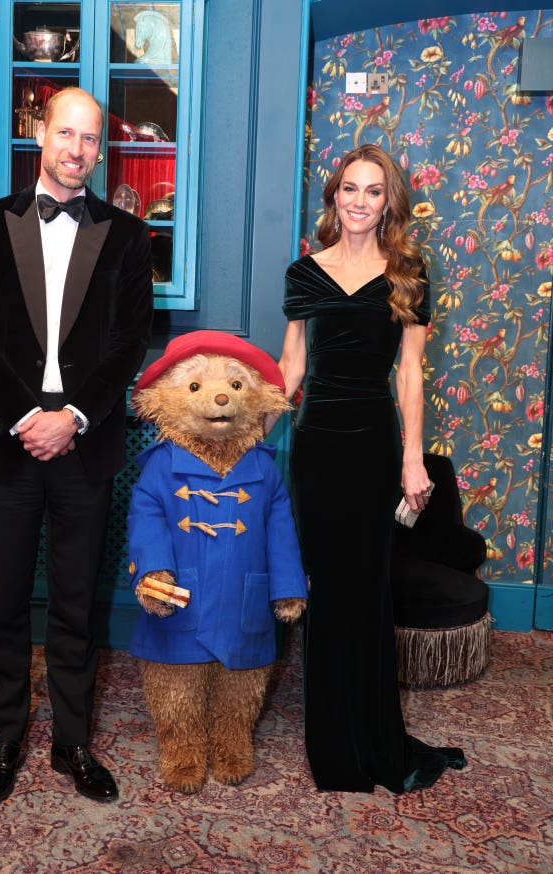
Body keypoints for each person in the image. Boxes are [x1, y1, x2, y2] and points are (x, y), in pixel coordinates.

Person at [0, 87, 154, 806]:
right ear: (42, 134)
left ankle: (72, 743)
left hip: (84, 443)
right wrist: (25, 419)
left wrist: (71, 418)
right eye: (65, 134)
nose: (76, 150)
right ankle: (7, 738)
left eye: (90, 139)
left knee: (76, 603)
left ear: (102, 148)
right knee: (5, 601)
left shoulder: (128, 239)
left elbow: (130, 342)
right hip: (7, 444)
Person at [276, 143, 466, 793]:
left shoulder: (408, 273)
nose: (359, 201)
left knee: (369, 591)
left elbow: (410, 373)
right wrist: (236, 430)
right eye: (349, 189)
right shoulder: (304, 273)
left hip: (374, 449)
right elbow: (292, 369)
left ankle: (373, 735)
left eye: (373, 191)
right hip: (316, 452)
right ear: (333, 197)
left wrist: (414, 458)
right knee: (327, 595)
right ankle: (333, 747)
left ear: (390, 202)